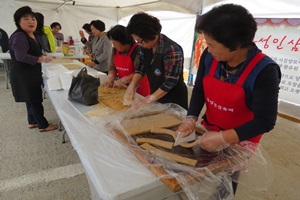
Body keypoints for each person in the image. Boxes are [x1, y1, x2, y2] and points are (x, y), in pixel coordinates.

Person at [177, 4, 281, 196]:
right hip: (211, 126)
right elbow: (199, 89)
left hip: (240, 138)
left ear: (236, 45)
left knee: (226, 180)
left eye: (212, 44)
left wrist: (224, 138)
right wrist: (191, 117)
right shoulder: (210, 57)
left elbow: (265, 121)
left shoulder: (265, 71)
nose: (208, 49)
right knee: (198, 171)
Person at [9, 6, 58, 132]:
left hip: (28, 72)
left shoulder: (29, 35)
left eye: (33, 19)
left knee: (29, 98)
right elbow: (21, 56)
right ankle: (43, 125)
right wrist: (41, 59)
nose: (31, 21)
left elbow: (31, 51)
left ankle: (32, 121)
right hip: (24, 74)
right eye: (26, 19)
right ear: (18, 22)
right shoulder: (19, 36)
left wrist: (43, 55)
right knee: (35, 99)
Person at [125, 12, 188, 109]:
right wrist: (132, 85)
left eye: (139, 40)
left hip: (174, 98)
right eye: (137, 41)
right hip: (156, 94)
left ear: (149, 35)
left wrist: (149, 99)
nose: (139, 44)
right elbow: (141, 67)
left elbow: (170, 82)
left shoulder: (171, 50)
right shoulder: (145, 47)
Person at [105, 25, 150, 97]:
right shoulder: (115, 50)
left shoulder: (138, 50)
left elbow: (140, 71)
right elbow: (112, 67)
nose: (113, 44)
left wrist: (126, 79)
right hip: (123, 87)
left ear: (122, 40)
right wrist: (111, 76)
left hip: (139, 89)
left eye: (114, 42)